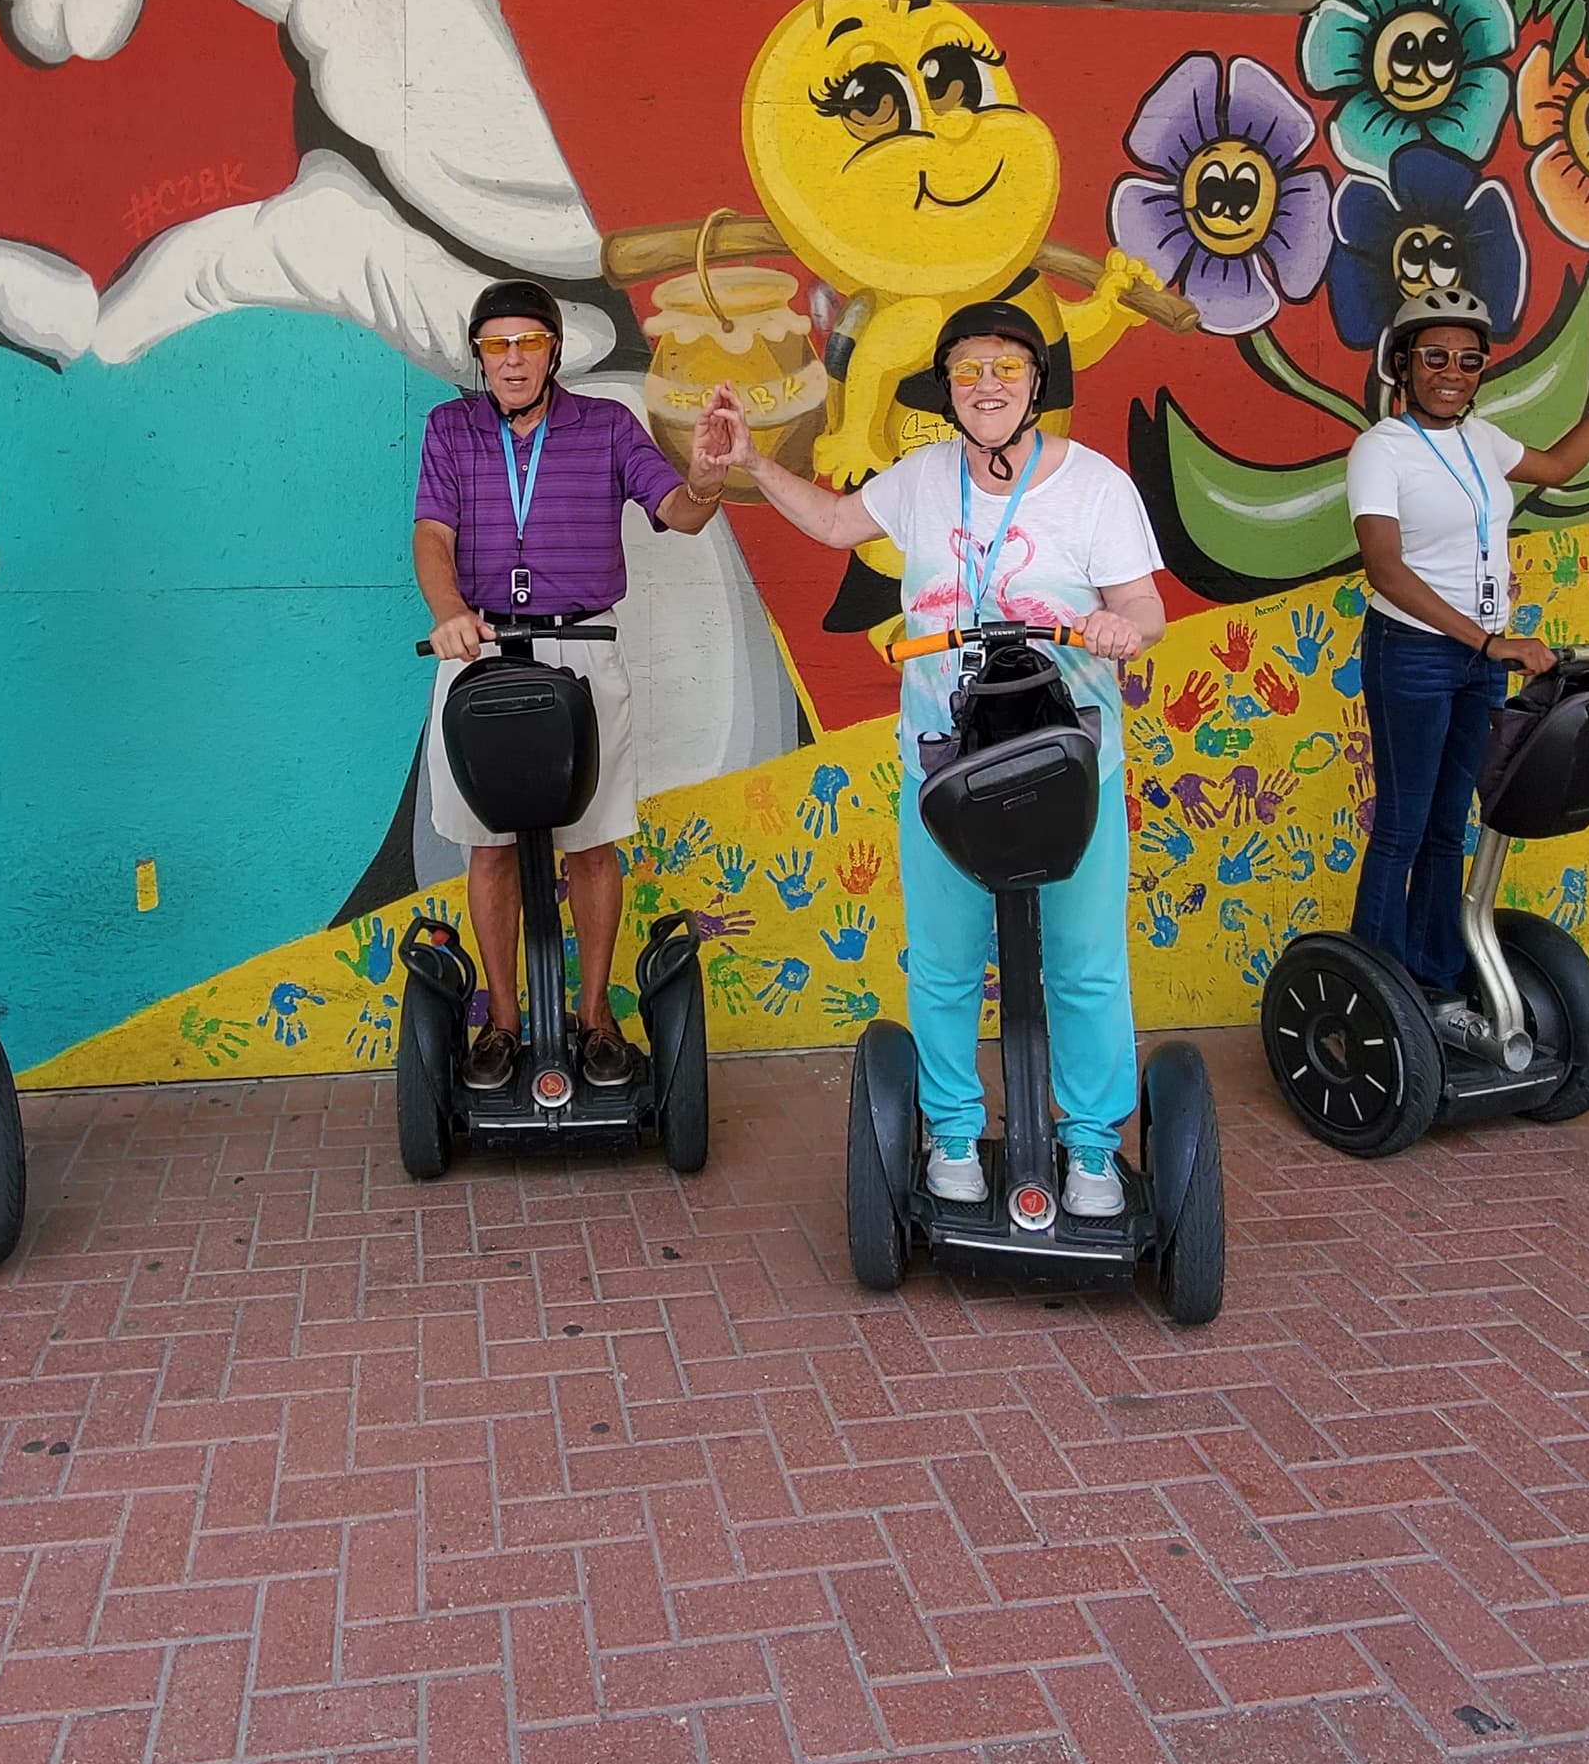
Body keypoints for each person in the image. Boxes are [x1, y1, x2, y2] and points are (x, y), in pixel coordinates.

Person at [699, 301, 1162, 1219]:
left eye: (1006, 366)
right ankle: (951, 1133)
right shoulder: (922, 478)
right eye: (968, 368)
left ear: (1036, 384)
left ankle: (1093, 1149)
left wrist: (1119, 627)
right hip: (945, 767)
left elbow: (1144, 610)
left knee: (1086, 964)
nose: (986, 383)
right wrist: (752, 461)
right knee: (945, 963)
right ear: (948, 387)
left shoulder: (1096, 487)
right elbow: (835, 523)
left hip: (1071, 767)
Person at [413, 278, 724, 1091]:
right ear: (479, 354)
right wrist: (449, 615)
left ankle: (594, 1016)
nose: (512, 360)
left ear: (554, 350)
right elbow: (432, 534)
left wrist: (710, 477)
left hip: (579, 651)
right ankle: (505, 1023)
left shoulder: (608, 427)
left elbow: (679, 512)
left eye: (528, 343)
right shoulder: (451, 429)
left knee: (591, 843)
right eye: (495, 345)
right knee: (489, 848)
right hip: (478, 653)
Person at [1345, 287, 1589, 1047]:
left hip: (1477, 659)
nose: (1452, 373)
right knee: (1401, 823)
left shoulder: (1484, 441)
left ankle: (1433, 977)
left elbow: (1559, 466)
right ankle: (1373, 987)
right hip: (1417, 652)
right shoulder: (1381, 448)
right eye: (1434, 358)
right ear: (1403, 364)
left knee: (1449, 826)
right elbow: (1386, 569)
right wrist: (1489, 642)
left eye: (1467, 361)